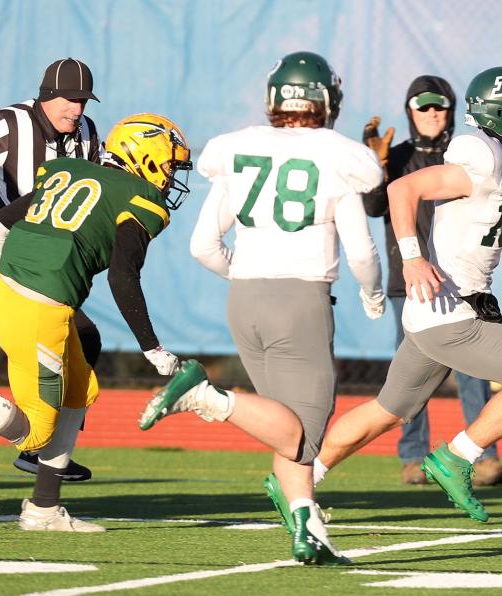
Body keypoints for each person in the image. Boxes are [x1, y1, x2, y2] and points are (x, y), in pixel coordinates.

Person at [312, 66, 502, 523]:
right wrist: (412, 257)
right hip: (450, 311)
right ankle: (458, 457)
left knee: (387, 411)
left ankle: (301, 479)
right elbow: (402, 188)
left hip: (440, 312)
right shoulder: (482, 156)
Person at [141, 51, 384, 565]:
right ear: (325, 98)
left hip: (244, 298)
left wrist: (249, 272)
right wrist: (373, 293)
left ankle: (307, 528)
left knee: (283, 423)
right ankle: (206, 396)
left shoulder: (239, 148)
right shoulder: (339, 154)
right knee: (306, 432)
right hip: (299, 298)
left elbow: (203, 246)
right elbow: (361, 250)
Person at [0, 112, 193, 531]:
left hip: (18, 299)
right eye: (167, 164)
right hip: (39, 312)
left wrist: (9, 280)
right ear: (142, 156)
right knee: (35, 437)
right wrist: (152, 347)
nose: (169, 175)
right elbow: (124, 276)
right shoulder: (140, 200)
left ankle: (44, 509)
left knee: (80, 391)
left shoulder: (66, 170)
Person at [361, 75, 502, 487]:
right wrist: (375, 166)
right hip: (410, 281)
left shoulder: (467, 155)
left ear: (452, 110)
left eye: (439, 105)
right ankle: (413, 456)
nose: (432, 114)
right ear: (410, 111)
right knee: (411, 377)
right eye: (423, 106)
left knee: (475, 370)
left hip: (462, 280)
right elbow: (376, 205)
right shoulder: (397, 155)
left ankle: (482, 456)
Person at [0, 57, 103, 481]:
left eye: (82, 101)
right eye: (69, 100)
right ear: (46, 96)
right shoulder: (8, 125)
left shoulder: (87, 133)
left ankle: (44, 456)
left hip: (44, 277)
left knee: (84, 339)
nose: (76, 110)